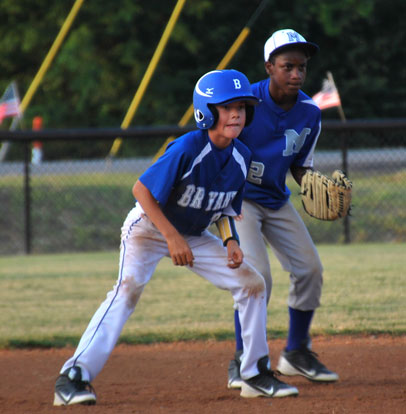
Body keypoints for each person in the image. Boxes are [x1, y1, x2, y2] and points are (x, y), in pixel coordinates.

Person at [53, 69, 299, 406]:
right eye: (227, 107)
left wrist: (231, 243)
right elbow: (141, 189)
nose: (237, 114)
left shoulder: (241, 157)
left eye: (242, 107)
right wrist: (171, 237)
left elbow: (225, 209)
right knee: (127, 291)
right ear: (207, 111)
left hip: (192, 235)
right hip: (148, 229)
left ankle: (254, 373)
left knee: (252, 283)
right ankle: (73, 377)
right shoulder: (187, 148)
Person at [227, 29, 339, 389]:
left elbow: (300, 164)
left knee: (310, 269)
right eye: (287, 66)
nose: (296, 74)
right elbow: (221, 150)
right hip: (240, 198)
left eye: (301, 67)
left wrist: (314, 184)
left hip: (276, 199)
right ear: (269, 67)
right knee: (257, 276)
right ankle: (244, 359)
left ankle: (296, 352)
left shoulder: (309, 112)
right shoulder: (246, 104)